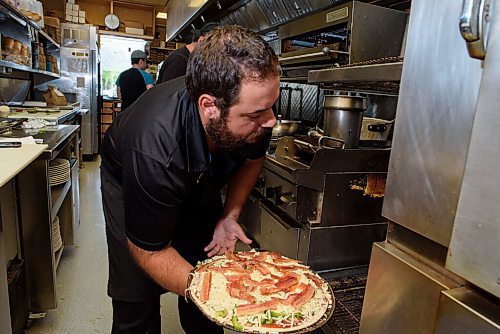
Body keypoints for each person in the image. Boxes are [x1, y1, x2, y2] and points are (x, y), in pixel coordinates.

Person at [100, 25, 280, 334]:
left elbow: (253, 160)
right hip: (132, 179)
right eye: (257, 115)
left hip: (198, 179)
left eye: (271, 108)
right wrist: (224, 296)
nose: (272, 121)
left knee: (205, 260)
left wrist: (229, 214)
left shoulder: (260, 109)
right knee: (137, 294)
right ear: (210, 107)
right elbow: (150, 251)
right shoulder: (154, 147)